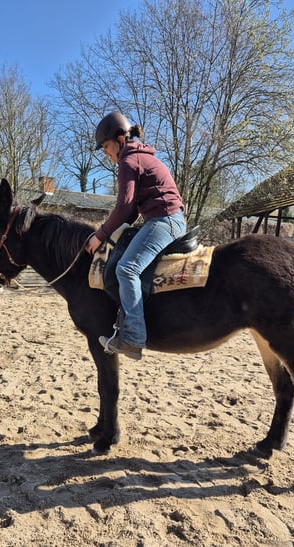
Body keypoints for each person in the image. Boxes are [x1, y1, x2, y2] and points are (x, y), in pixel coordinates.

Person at [86, 111, 186, 360]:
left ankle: (132, 337)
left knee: (126, 269)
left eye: (106, 146)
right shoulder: (139, 157)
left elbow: (123, 207)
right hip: (167, 218)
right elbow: (130, 213)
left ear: (120, 139)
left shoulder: (128, 162)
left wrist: (99, 235)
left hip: (164, 220)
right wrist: (112, 232)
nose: (104, 152)